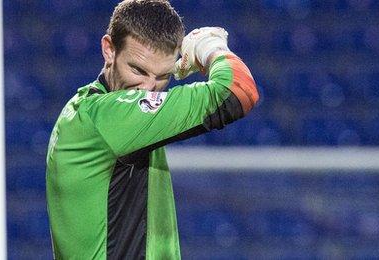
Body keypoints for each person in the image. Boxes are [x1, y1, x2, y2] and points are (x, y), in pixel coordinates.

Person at [45, 0, 259, 258]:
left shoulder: (83, 111)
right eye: (138, 70)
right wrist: (209, 46)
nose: (147, 88)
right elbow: (238, 90)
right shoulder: (107, 117)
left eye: (161, 77)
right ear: (109, 49)